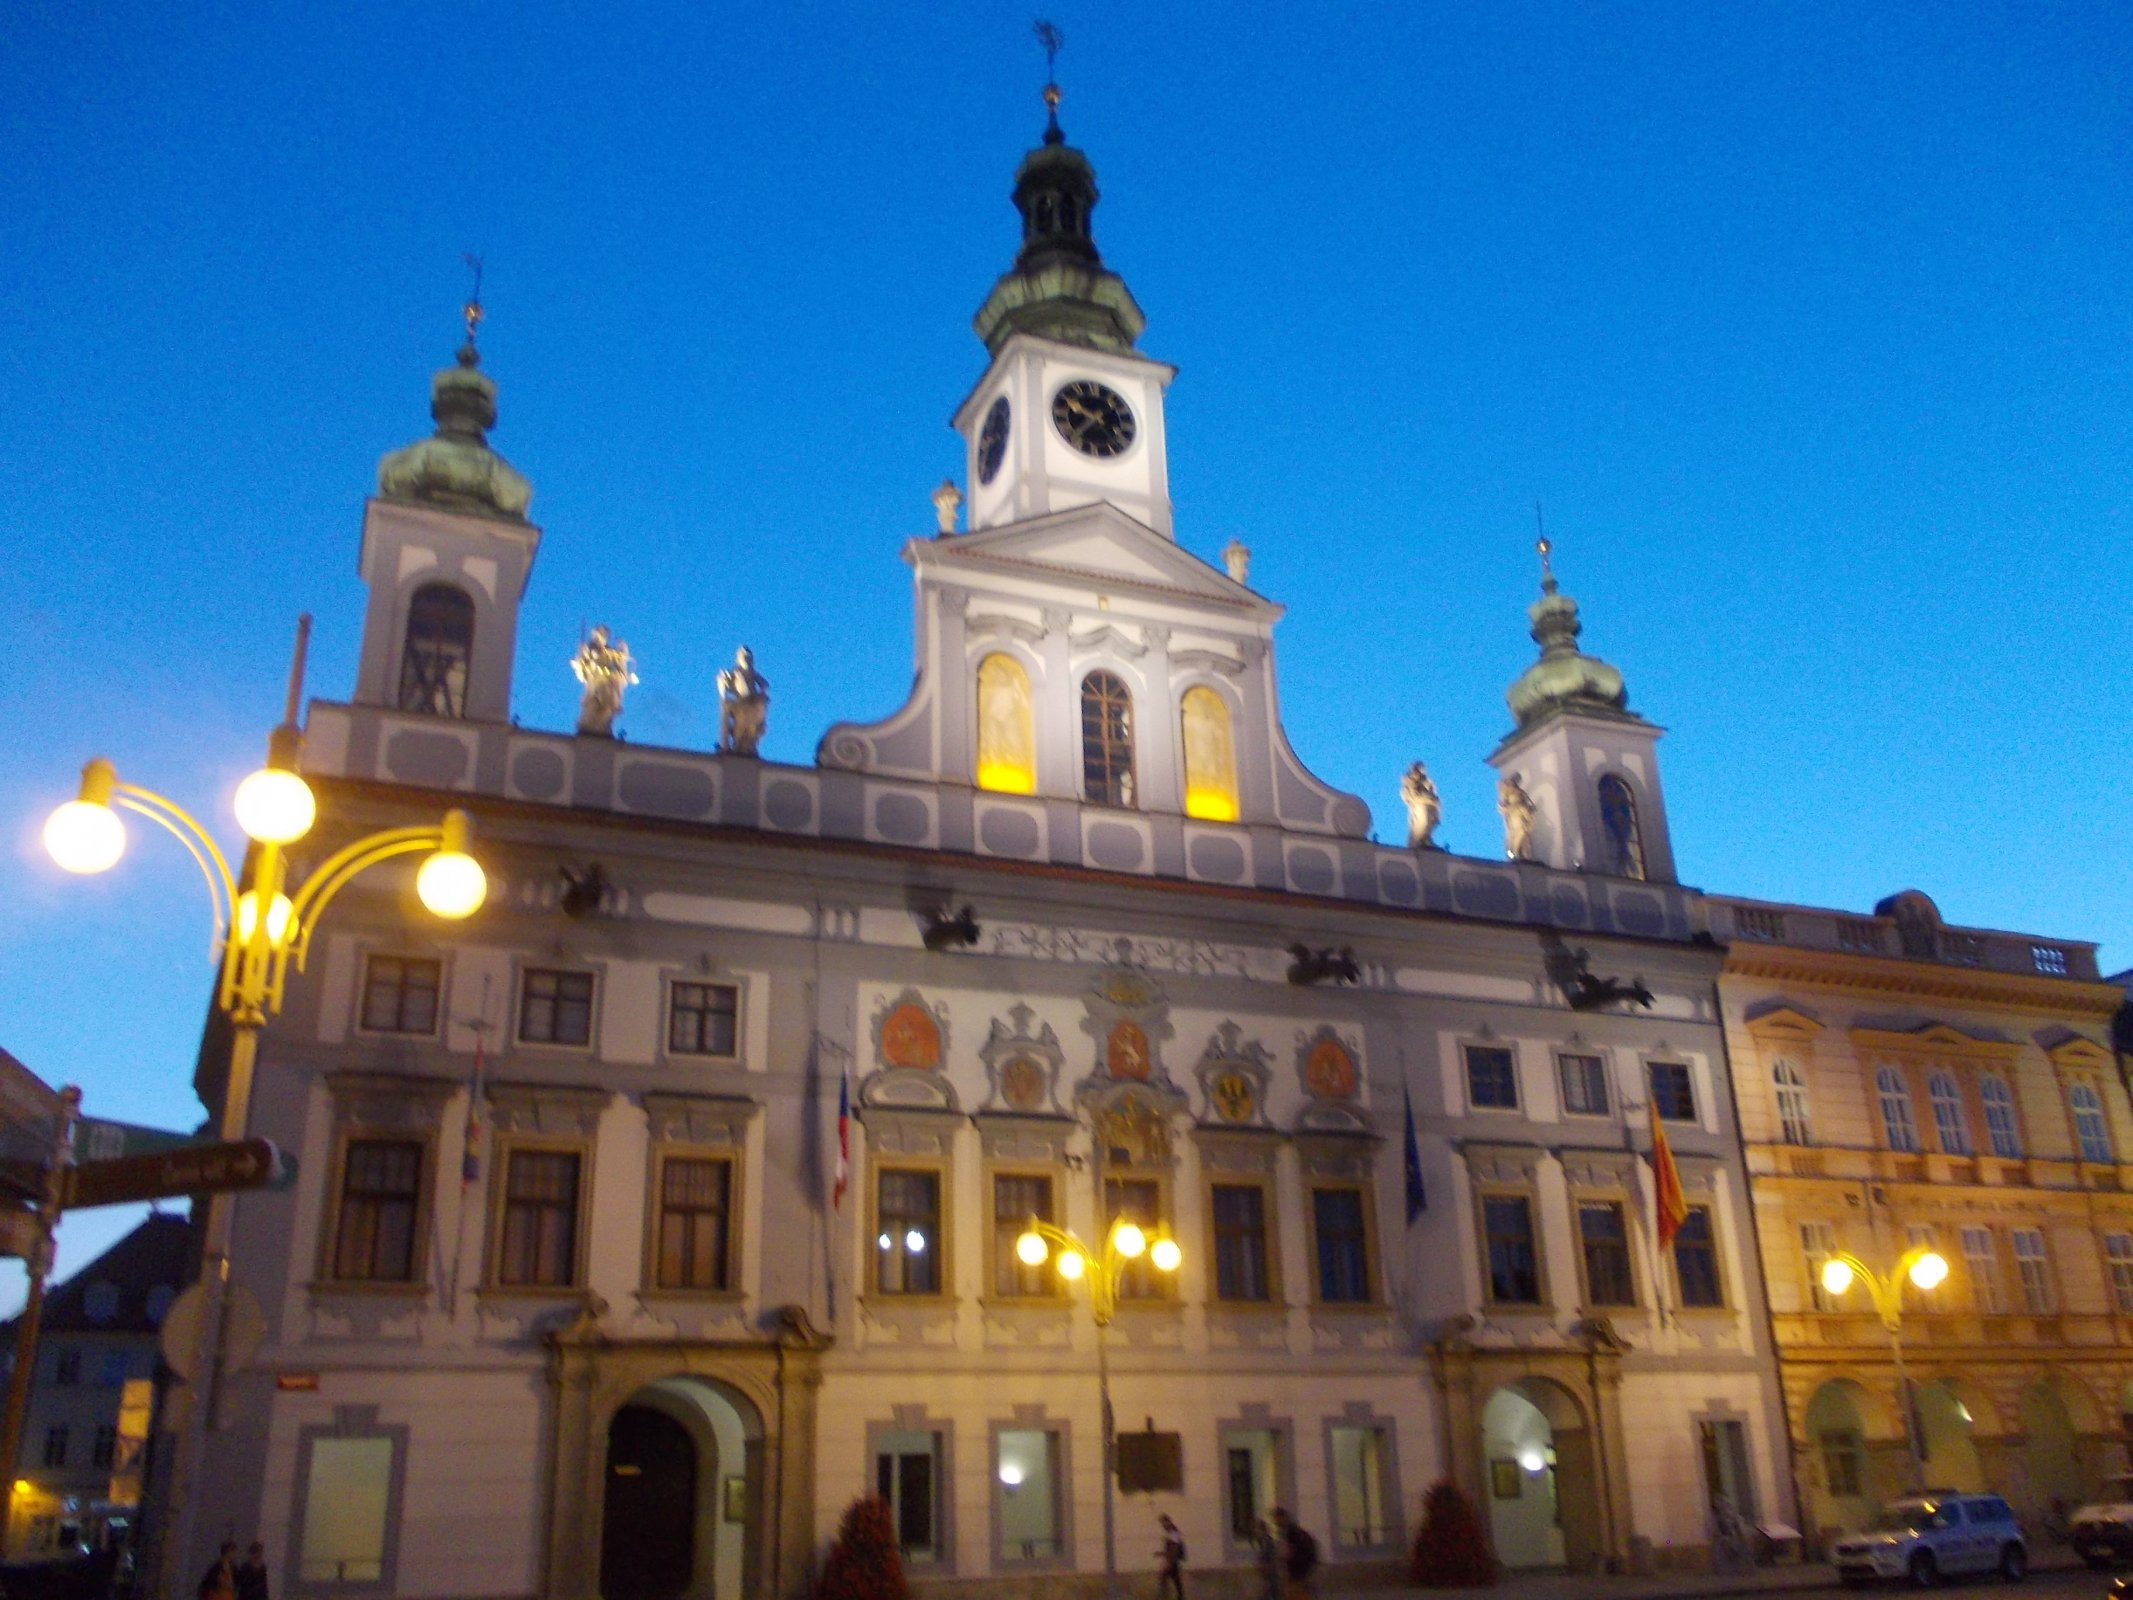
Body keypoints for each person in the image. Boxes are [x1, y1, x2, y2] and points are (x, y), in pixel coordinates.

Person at [1271, 1508, 1318, 1600]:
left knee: (1295, 1591)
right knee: (1295, 1590)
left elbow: (1290, 1550)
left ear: (1283, 1517)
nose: (1276, 1523)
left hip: (1298, 1566)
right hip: (1301, 1565)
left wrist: (1283, 1559)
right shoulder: (1294, 1530)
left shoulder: (1291, 1531)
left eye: (1276, 1519)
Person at [1155, 1513, 1186, 1600]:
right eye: (1161, 1523)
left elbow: (1175, 1547)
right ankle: (1179, 1596)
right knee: (1175, 1579)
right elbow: (1171, 1547)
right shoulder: (1171, 1532)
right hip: (1172, 1559)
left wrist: (1170, 1561)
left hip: (1172, 1560)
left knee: (1163, 1578)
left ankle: (1163, 1596)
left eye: (1163, 1523)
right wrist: (1161, 1553)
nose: (1162, 1525)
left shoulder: (1173, 1533)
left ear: (1168, 1521)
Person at [1253, 1516, 1284, 1600]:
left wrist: (1265, 1567)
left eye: (1256, 1529)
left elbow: (1269, 1558)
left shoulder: (1267, 1542)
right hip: (1268, 1574)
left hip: (1270, 1574)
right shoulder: (1262, 1541)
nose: (1255, 1531)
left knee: (1271, 1594)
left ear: (1262, 1529)